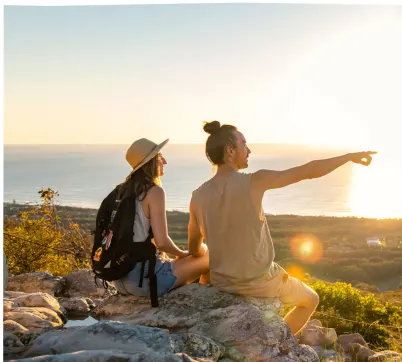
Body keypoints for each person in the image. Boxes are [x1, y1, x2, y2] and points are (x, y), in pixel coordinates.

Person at [188, 121, 376, 334]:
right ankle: (279, 339)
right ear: (230, 151)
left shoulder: (197, 196)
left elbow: (194, 248)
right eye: (244, 144)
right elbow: (309, 171)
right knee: (311, 299)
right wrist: (348, 157)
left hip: (221, 283)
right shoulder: (255, 181)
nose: (248, 150)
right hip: (260, 282)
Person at [111, 138, 210, 298]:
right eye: (160, 156)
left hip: (120, 280)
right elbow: (162, 241)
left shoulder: (123, 190)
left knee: (183, 259)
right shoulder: (154, 191)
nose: (165, 161)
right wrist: (182, 253)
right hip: (144, 281)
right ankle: (208, 300)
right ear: (150, 162)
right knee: (208, 255)